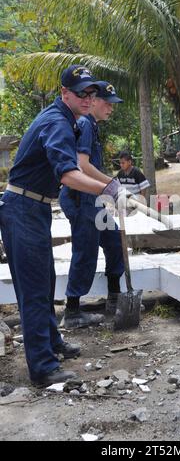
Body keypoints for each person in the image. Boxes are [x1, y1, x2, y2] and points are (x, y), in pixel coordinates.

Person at [0, 65, 124, 387]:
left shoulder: (66, 120)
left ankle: (52, 343)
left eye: (90, 92)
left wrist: (107, 186)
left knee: (46, 282)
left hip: (34, 207)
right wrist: (108, 188)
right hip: (23, 208)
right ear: (64, 93)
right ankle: (42, 368)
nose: (88, 98)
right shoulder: (58, 123)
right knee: (35, 290)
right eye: (81, 92)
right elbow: (69, 175)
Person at [59, 81, 125, 328]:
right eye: (107, 103)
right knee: (86, 251)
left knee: (114, 240)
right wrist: (113, 184)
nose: (111, 108)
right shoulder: (86, 123)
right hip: (81, 199)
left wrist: (109, 188)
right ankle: (73, 311)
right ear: (94, 101)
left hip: (93, 199)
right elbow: (82, 165)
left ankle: (115, 297)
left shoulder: (92, 126)